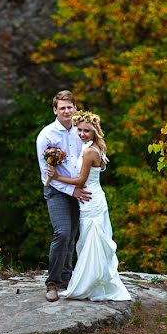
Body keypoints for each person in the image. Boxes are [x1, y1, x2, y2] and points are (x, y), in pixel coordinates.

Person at [47, 111, 131, 302]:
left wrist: (56, 177)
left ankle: (91, 284)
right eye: (80, 130)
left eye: (87, 131)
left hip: (89, 200)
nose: (83, 134)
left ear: (95, 132)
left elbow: (80, 180)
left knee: (90, 242)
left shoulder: (89, 152)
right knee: (87, 242)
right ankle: (94, 280)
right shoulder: (92, 147)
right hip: (93, 198)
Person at [36, 90, 91, 302]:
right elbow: (45, 175)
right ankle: (52, 282)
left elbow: (93, 154)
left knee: (73, 234)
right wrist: (72, 190)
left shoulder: (82, 131)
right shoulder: (46, 136)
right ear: (55, 110)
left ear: (75, 108)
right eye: (62, 108)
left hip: (79, 188)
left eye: (70, 107)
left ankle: (67, 278)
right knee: (62, 232)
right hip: (56, 190)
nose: (67, 111)